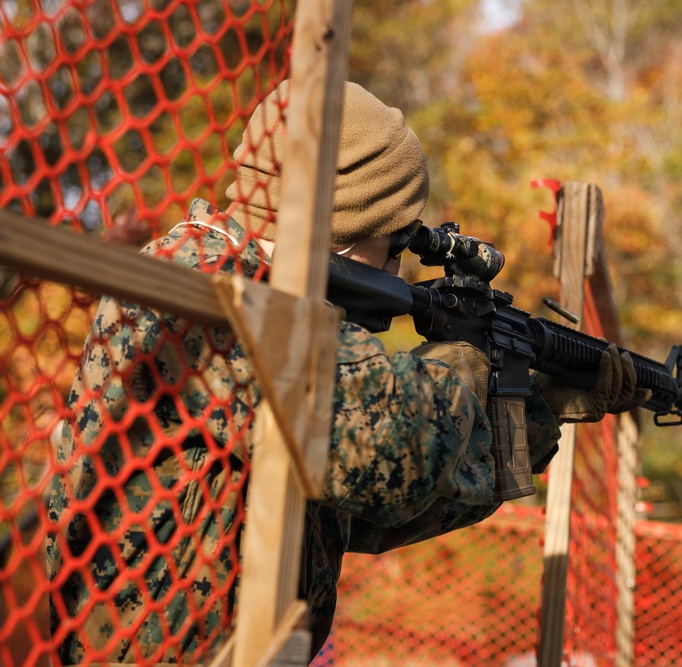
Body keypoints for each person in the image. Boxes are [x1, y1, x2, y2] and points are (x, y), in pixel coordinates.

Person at [46, 80, 646, 665]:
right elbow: (391, 454)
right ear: (346, 221)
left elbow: (369, 514)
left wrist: (536, 405)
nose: (398, 268)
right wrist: (469, 360)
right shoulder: (209, 280)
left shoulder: (261, 292)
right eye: (394, 246)